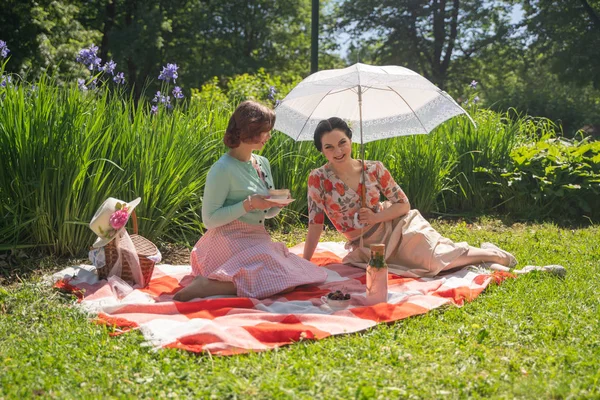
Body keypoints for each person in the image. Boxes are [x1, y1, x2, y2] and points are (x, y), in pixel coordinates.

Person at [302, 117, 518, 277]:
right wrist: (305, 263)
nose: (338, 151)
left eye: (342, 143)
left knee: (434, 259)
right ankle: (483, 255)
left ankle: (495, 256)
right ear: (321, 150)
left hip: (396, 228)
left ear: (350, 140)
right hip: (367, 247)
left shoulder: (374, 169)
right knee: (430, 267)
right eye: (329, 147)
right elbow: (315, 224)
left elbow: (403, 205)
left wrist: (376, 217)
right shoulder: (318, 179)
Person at [174, 101, 327, 301]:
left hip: (256, 238)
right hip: (228, 241)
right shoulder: (222, 169)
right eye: (265, 131)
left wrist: (275, 204)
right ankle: (208, 286)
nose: (269, 136)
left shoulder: (262, 163)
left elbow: (265, 213)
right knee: (280, 280)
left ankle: (221, 284)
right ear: (250, 130)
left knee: (299, 276)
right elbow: (209, 220)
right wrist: (249, 204)